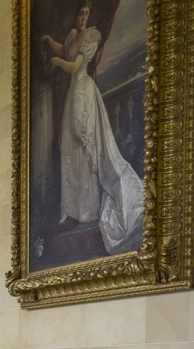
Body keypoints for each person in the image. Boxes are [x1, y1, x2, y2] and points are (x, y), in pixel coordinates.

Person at [40, 0, 143, 254]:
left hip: (84, 90)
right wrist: (48, 40)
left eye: (86, 13)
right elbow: (64, 49)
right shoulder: (74, 36)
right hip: (73, 95)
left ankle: (87, 210)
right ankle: (70, 210)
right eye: (81, 13)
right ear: (76, 16)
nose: (83, 17)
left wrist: (56, 62)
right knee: (69, 147)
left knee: (85, 148)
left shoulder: (92, 36)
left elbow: (74, 66)